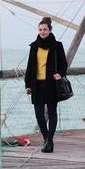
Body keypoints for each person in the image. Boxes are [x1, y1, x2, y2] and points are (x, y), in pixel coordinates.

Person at [25, 17, 68, 153]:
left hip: (51, 84)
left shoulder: (57, 46)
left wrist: (60, 74)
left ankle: (49, 140)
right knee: (38, 113)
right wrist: (28, 84)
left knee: (52, 112)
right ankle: (47, 139)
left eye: (45, 29)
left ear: (50, 30)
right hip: (36, 84)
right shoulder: (34, 46)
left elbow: (63, 64)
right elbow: (29, 67)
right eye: (40, 30)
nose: (42, 32)